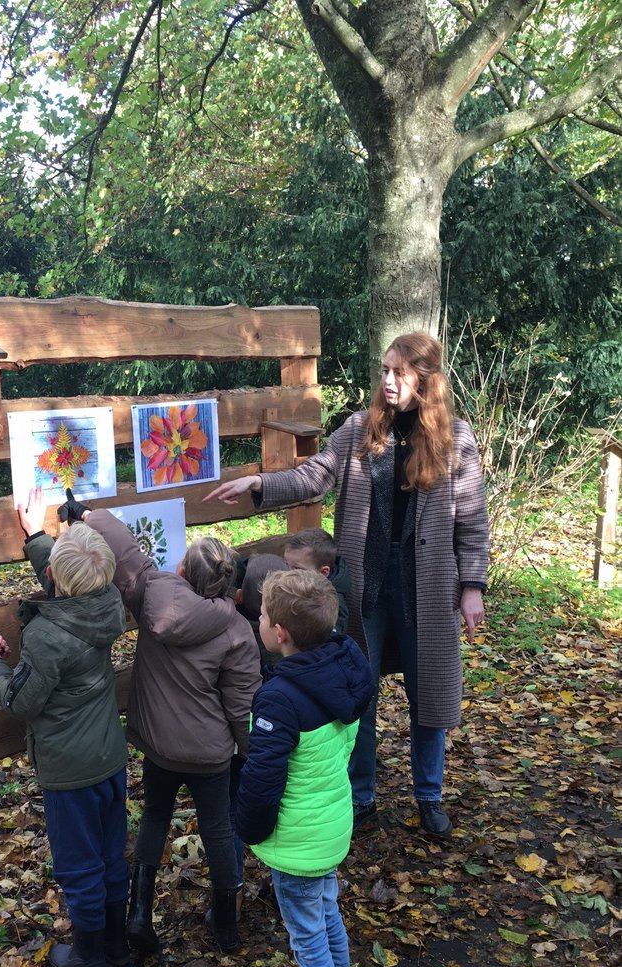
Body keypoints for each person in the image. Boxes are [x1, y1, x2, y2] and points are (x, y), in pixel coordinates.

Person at [207, 332, 489, 839]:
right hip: (365, 592)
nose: (387, 381)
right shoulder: (361, 430)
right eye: (383, 370)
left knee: (430, 698)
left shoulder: (456, 441)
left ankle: (429, 794)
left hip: (427, 592)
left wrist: (473, 586)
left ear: (425, 380)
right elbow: (314, 474)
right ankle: (362, 794)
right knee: (358, 692)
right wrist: (260, 484)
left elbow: (471, 521)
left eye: (398, 373)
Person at [82, 505, 261, 954]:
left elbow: (126, 552)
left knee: (156, 817)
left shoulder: (152, 596)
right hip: (210, 753)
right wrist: (247, 750)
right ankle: (226, 926)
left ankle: (139, 913)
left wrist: (87, 514)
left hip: (159, 746)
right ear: (229, 585)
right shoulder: (238, 631)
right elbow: (242, 705)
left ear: (181, 569)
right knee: (218, 828)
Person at [0, 488, 129, 967]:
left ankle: (89, 956)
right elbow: (69, 580)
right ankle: (115, 942)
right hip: (110, 758)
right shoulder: (108, 601)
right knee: (111, 852)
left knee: (79, 863)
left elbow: (22, 702)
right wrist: (37, 537)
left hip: (70, 772)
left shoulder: (46, 636)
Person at [235, 569, 374, 967]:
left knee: (306, 931)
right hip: (330, 821)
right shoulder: (347, 665)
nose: (259, 620)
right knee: (325, 913)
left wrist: (247, 826)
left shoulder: (280, 698)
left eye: (263, 616)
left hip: (298, 837)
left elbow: (263, 776)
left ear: (281, 634)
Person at [283, 527, 350, 636]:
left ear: (323, 573)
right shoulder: (297, 582)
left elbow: (330, 640)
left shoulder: (335, 604)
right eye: (286, 564)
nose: (287, 573)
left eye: (297, 569)